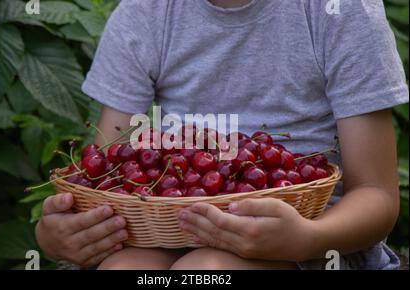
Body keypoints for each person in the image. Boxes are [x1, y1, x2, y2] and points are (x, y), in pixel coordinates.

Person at [35, 0, 409, 269]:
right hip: (167, 234)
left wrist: (308, 238)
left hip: (313, 240)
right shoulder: (145, 12)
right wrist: (64, 237)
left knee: (208, 271)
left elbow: (375, 197)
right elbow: (109, 178)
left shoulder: (342, 10)